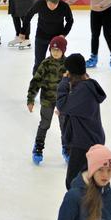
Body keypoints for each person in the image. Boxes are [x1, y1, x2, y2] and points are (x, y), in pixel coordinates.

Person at [57, 54, 107, 190]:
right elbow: (72, 108)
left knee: (73, 182)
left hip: (85, 143)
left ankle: (83, 208)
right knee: (88, 180)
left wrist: (63, 82)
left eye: (67, 72)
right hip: (90, 139)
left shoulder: (83, 90)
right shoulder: (86, 86)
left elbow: (62, 104)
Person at [27, 36, 67, 165]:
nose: (55, 52)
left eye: (58, 50)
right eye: (53, 49)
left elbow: (74, 82)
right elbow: (36, 81)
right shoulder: (45, 63)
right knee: (45, 124)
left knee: (65, 126)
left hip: (63, 101)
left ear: (63, 50)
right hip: (47, 99)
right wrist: (30, 99)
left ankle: (67, 149)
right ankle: (38, 148)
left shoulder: (67, 65)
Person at [21, 0, 73, 74]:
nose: (52, 7)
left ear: (58, 2)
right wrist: (23, 31)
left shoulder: (64, 6)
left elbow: (70, 21)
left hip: (57, 38)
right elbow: (28, 16)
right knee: (39, 61)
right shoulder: (40, 4)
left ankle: (57, 81)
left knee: (57, 61)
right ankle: (36, 81)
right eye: (50, 5)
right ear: (46, 1)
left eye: (55, 5)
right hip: (41, 35)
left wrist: (63, 35)